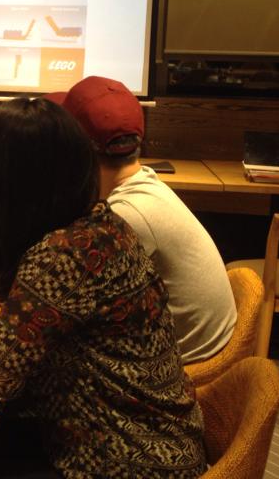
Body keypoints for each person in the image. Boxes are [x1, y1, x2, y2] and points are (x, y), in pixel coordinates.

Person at [0, 98, 206, 477]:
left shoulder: (61, 255)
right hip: (165, 440)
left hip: (126, 461)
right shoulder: (107, 225)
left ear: (4, 184)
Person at [50, 75, 235, 363]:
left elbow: (59, 310)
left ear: (77, 151)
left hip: (182, 367)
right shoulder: (145, 183)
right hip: (192, 347)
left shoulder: (127, 216)